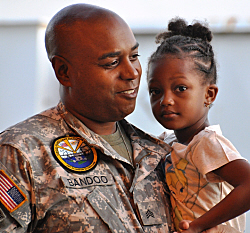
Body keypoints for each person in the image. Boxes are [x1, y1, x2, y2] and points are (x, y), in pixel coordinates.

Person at [0, 3, 240, 233]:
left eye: (134, 56)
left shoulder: (159, 153)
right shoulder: (22, 152)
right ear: (64, 72)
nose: (132, 72)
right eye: (112, 62)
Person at [147, 17, 250, 233]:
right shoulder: (169, 142)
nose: (165, 100)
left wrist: (197, 226)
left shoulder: (206, 143)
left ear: (208, 95)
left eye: (180, 88)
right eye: (155, 91)